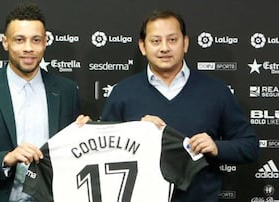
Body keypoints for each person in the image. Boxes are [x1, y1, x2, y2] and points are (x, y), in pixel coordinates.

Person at [100, 10, 259, 202]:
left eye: (172, 40)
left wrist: (217, 147)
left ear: (185, 43)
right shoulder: (122, 92)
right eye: (156, 41)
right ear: (143, 46)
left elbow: (250, 146)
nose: (164, 48)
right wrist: (134, 132)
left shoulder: (216, 90)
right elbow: (103, 153)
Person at [0, 2, 89, 202]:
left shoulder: (67, 91)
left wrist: (84, 134)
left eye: (36, 40)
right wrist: (6, 158)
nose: (28, 48)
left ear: (45, 42)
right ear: (5, 42)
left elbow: (74, 154)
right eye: (19, 40)